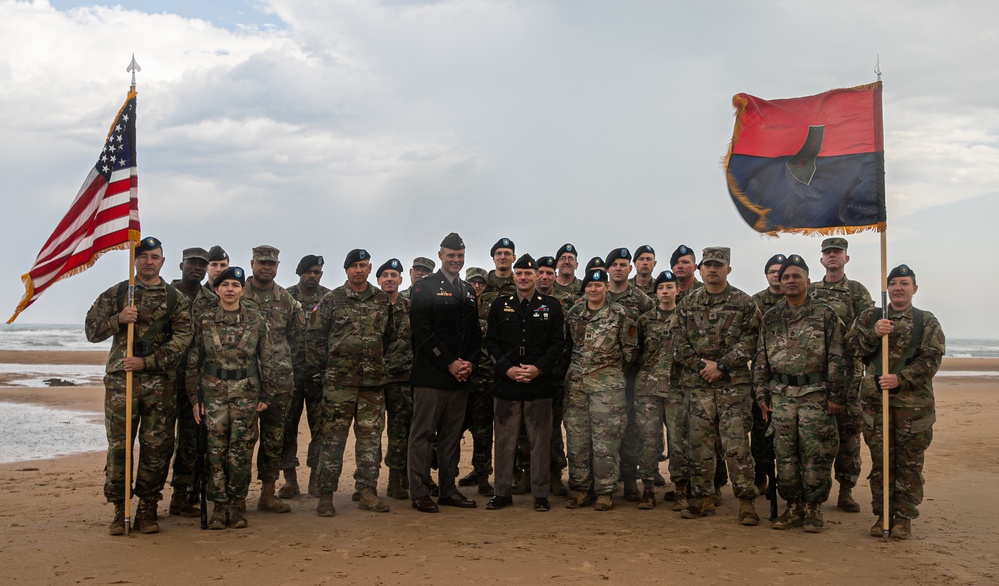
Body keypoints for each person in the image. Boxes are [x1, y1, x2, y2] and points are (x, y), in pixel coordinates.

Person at [85, 236, 193, 535]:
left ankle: (147, 507)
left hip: (160, 383)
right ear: (135, 259)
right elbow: (91, 330)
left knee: (156, 447)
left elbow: (183, 339)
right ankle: (121, 509)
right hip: (123, 381)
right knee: (119, 447)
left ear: (163, 261)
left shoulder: (175, 299)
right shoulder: (119, 293)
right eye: (143, 256)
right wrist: (118, 319)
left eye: (154, 256)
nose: (148, 261)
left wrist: (150, 362)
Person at [845, 264, 944, 540]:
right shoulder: (871, 316)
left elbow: (931, 358)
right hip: (876, 405)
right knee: (882, 462)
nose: (898, 288)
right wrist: (873, 334)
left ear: (914, 288)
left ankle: (903, 518)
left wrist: (901, 378)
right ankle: (883, 515)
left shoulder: (926, 321)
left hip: (913, 408)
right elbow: (850, 347)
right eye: (893, 283)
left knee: (909, 464)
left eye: (904, 283)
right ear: (887, 289)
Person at [753, 255, 846, 532]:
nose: (790, 281)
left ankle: (814, 509)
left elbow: (838, 358)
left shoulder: (825, 314)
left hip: (815, 394)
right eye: (785, 278)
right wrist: (761, 395)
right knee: (785, 455)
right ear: (779, 283)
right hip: (780, 395)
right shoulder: (771, 317)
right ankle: (792, 507)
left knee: (815, 454)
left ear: (807, 280)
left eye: (796, 276)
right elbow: (761, 359)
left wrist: (836, 396)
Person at [673, 247, 761, 524]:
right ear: (700, 269)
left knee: (736, 446)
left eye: (718, 265)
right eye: (708, 265)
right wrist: (703, 367)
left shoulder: (744, 303)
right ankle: (702, 498)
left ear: (728, 269)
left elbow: (751, 341)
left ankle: (746, 501)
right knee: (699, 446)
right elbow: (678, 340)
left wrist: (721, 365)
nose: (713, 269)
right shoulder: (687, 302)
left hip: (732, 387)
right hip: (698, 385)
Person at [187, 266, 277, 529]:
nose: (229, 289)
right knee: (215, 452)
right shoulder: (204, 320)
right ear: (216, 290)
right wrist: (195, 398)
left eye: (235, 285)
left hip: (246, 394)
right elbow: (194, 361)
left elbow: (267, 358)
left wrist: (267, 393)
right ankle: (219, 507)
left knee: (241, 450)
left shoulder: (257, 320)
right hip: (213, 396)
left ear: (242, 290)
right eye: (224, 284)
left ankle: (237, 506)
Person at [310, 249, 395, 517]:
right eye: (353, 266)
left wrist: (381, 367)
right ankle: (325, 495)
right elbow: (314, 339)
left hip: (372, 386)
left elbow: (389, 337)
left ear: (370, 269)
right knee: (332, 442)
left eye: (363, 265)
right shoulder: (331, 300)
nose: (358, 270)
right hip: (338, 385)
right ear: (346, 270)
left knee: (370, 441)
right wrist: (321, 375)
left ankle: (367, 492)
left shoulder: (382, 300)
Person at [483, 254, 566, 512]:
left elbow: (557, 344)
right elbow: (491, 343)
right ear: (514, 276)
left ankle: (540, 494)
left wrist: (537, 369)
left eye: (528, 274)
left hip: (538, 383)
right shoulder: (500, 305)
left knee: (540, 441)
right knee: (505, 440)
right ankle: (502, 492)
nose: (523, 277)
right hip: (506, 383)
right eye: (519, 273)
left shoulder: (551, 306)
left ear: (537, 276)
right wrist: (507, 369)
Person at [408, 232, 482, 513]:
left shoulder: (467, 290)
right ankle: (420, 491)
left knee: (451, 437)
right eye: (451, 255)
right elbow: (423, 333)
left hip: (460, 377)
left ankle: (448, 490)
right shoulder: (424, 288)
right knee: (423, 436)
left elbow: (475, 334)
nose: (456, 260)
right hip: (432, 375)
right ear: (440, 256)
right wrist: (449, 362)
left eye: (460, 256)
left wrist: (469, 364)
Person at [563, 268, 639, 511]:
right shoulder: (575, 313)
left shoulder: (620, 314)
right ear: (584, 288)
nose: (593, 289)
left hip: (608, 388)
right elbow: (569, 345)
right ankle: (581, 489)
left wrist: (608, 371)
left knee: (606, 441)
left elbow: (629, 351)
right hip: (577, 386)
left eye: (598, 285)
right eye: (589, 286)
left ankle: (605, 491)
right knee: (577, 440)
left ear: (606, 288)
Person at [810, 237, 874, 513]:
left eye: (838, 252)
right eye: (828, 253)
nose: (832, 256)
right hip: (816, 376)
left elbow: (865, 331)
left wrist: (842, 340)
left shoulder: (858, 292)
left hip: (849, 377)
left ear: (846, 259)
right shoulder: (811, 291)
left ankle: (846, 490)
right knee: (816, 437)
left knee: (849, 437)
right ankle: (815, 491)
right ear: (821, 260)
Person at [242, 245, 306, 514]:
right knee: (242, 441)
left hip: (279, 382)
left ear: (278, 267)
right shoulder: (236, 294)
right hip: (242, 383)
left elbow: (296, 336)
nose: (266, 267)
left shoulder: (287, 301)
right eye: (262, 262)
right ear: (252, 263)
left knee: (273, 440)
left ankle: (267, 494)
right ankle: (237, 495)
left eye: (272, 263)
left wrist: (279, 361)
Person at [168, 247, 218, 518]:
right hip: (162, 377)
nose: (197, 268)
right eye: (192, 263)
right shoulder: (164, 294)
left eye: (202, 264)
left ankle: (181, 497)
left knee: (190, 441)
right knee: (161, 442)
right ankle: (148, 501)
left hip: (196, 381)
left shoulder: (211, 300)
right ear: (181, 265)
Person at [279, 254, 330, 499]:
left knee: (320, 429)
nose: (313, 276)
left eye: (317, 272)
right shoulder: (286, 298)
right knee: (287, 427)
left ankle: (315, 479)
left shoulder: (329, 298)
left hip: (319, 376)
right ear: (299, 273)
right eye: (308, 271)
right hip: (291, 375)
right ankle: (290, 480)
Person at [606, 247, 654, 501]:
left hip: (632, 378)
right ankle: (605, 480)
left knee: (630, 432)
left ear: (630, 269)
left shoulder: (642, 301)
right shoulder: (598, 296)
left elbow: (650, 336)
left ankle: (629, 481)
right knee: (605, 431)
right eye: (614, 264)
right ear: (608, 269)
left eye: (623, 264)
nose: (618, 268)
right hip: (604, 379)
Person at [634, 270, 679, 509]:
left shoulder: (686, 318)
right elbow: (635, 353)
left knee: (678, 439)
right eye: (661, 288)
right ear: (656, 292)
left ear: (677, 291)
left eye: (669, 287)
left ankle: (680, 488)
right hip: (648, 389)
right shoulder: (644, 321)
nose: (665, 292)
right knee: (648, 439)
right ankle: (648, 489)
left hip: (677, 388)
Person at [534, 256, 574, 495]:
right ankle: (527, 473)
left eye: (550, 272)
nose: (545, 277)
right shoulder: (525, 300)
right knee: (529, 428)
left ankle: (554, 474)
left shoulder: (567, 301)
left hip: (559, 373)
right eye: (541, 272)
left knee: (554, 427)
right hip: (532, 374)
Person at [377, 258, 415, 500]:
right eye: (385, 275)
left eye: (394, 275)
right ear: (378, 280)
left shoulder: (411, 307)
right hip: (372, 380)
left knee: (400, 431)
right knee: (369, 434)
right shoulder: (370, 307)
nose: (390, 278)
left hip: (402, 379)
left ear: (401, 280)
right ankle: (366, 484)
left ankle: (397, 480)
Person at [458, 266, 497, 496]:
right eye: (473, 282)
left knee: (483, 433)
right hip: (460, 382)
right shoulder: (457, 307)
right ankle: (446, 474)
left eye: (481, 283)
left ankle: (482, 476)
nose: (477, 286)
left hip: (484, 383)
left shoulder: (492, 311)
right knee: (451, 432)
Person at [750, 253, 786, 496]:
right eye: (772, 271)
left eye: (780, 271)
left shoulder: (801, 300)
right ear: (766, 275)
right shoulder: (755, 302)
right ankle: (761, 473)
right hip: (762, 374)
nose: (776, 275)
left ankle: (785, 479)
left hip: (788, 377)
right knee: (760, 430)